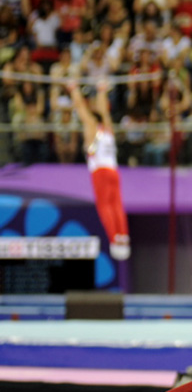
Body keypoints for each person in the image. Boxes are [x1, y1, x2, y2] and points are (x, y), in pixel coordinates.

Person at [68, 80, 130, 261]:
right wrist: (102, 91)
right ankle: (122, 236)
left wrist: (73, 90)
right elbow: (104, 111)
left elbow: (80, 109)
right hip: (113, 172)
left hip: (100, 173)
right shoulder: (108, 130)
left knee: (105, 207)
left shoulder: (92, 129)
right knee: (117, 205)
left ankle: (114, 238)